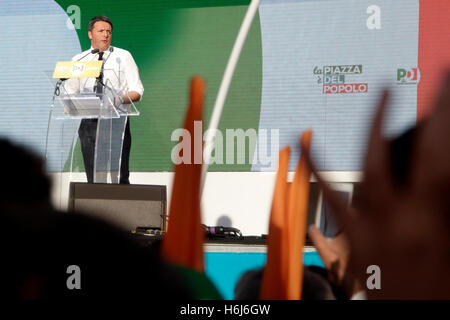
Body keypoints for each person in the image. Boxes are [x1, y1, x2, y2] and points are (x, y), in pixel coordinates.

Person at [66, 15, 144, 184]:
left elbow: (137, 91)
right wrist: (70, 103)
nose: (106, 35)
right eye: (101, 31)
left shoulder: (123, 56)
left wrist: (118, 100)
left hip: (117, 121)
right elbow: (70, 90)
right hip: (89, 123)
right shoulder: (79, 60)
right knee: (94, 179)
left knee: (119, 176)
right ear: (90, 34)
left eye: (108, 31)